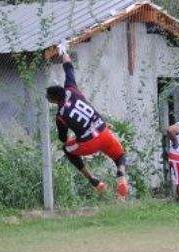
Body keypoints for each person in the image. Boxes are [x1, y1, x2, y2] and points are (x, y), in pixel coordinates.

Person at [45, 41, 128, 198]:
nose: (47, 98)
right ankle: (121, 176)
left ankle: (94, 180)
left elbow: (63, 138)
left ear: (55, 100)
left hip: (88, 142)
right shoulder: (71, 88)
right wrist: (63, 52)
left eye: (48, 97)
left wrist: (72, 137)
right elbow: (69, 67)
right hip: (103, 131)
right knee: (120, 156)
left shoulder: (61, 115)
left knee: (67, 149)